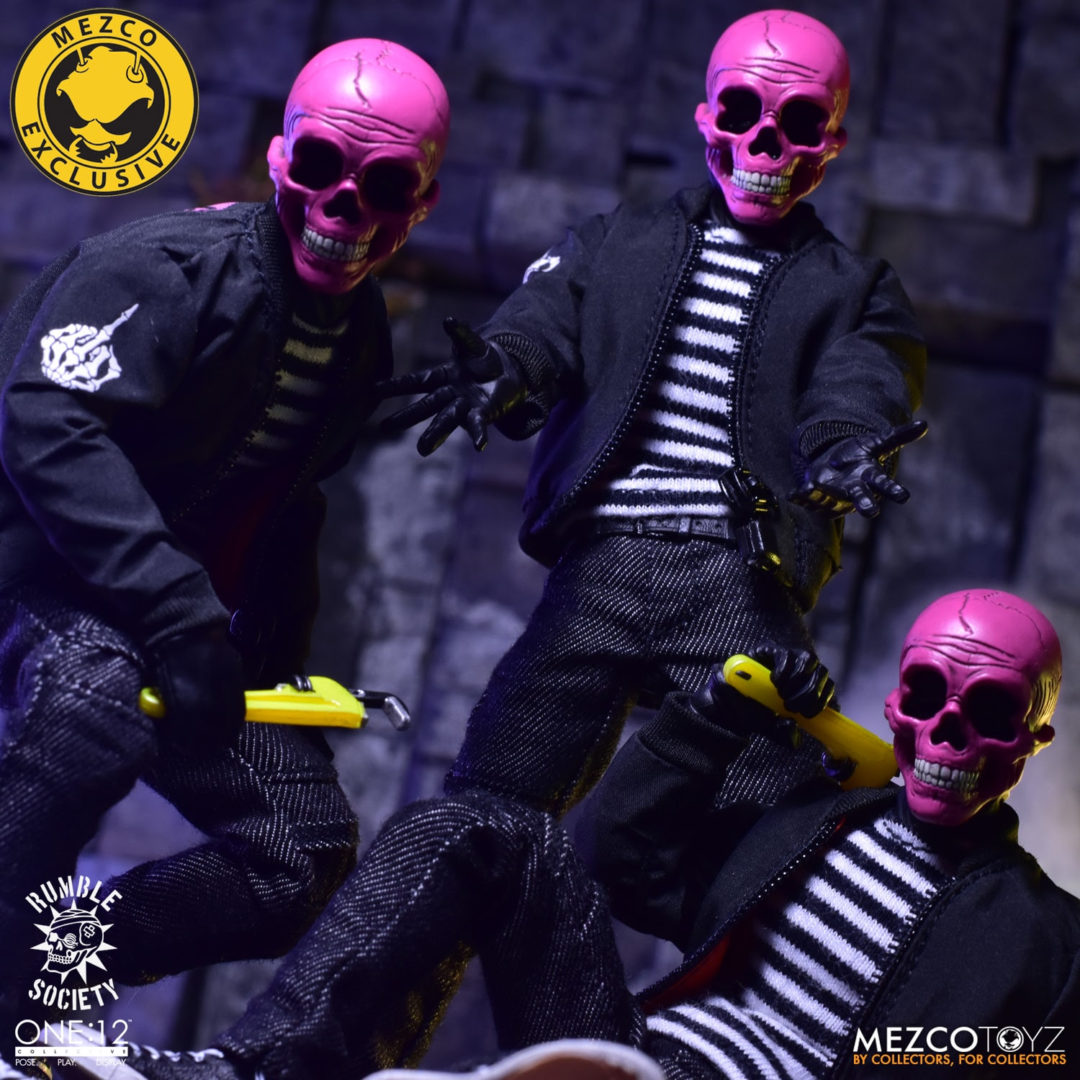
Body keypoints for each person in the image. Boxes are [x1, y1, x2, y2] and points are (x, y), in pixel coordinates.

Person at [76, 589, 1079, 1080]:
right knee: (491, 827)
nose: (949, 735)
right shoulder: (818, 820)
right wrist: (712, 722)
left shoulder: (1051, 941)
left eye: (993, 711)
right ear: (898, 705)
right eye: (926, 695)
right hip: (624, 1054)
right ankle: (254, 1076)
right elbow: (618, 863)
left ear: (1035, 738)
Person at [0, 38, 450, 1071]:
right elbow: (48, 427)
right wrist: (179, 615)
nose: (346, 210)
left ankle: (35, 973)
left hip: (174, 631)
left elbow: (290, 505)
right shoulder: (161, 269)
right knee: (94, 706)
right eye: (324, 168)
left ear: (421, 206)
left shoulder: (357, 335)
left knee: (301, 853)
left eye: (387, 187)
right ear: (283, 160)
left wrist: (272, 666)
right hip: (43, 578)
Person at [378, 7, 927, 818]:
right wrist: (505, 366)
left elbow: (863, 374)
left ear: (833, 142)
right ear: (707, 118)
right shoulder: (619, 242)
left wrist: (846, 442)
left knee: (766, 827)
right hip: (606, 560)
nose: (766, 146)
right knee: (492, 794)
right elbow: (548, 317)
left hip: (740, 575)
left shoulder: (855, 288)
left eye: (802, 123)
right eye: (742, 112)